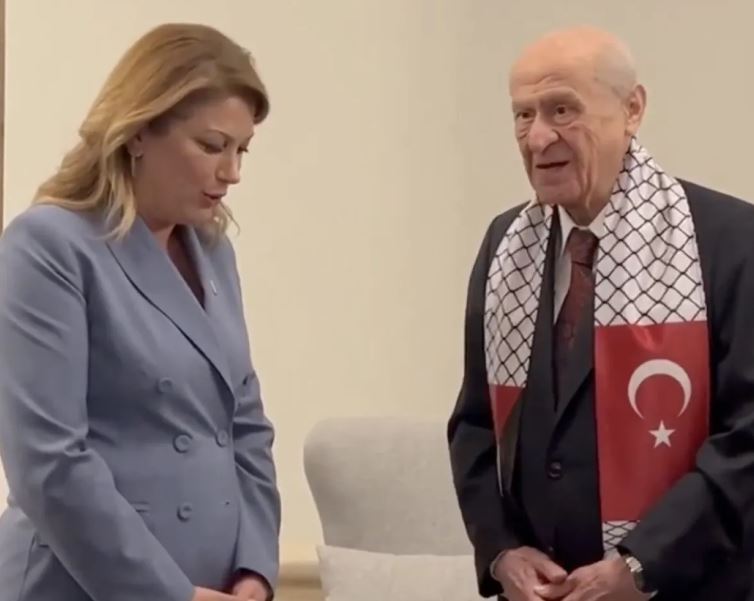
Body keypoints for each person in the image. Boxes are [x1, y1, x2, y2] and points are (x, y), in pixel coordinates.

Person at [448, 25, 754, 601]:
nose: (538, 137)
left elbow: (747, 438)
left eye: (561, 110)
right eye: (522, 115)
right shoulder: (504, 246)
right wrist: (502, 552)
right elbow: (475, 424)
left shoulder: (731, 241)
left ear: (632, 109)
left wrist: (643, 564)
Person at [0, 23, 280, 601]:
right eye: (212, 146)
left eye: (241, 150)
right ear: (137, 133)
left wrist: (255, 567)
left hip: (216, 584)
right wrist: (166, 594)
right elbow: (49, 463)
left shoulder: (213, 251)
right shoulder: (48, 246)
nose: (232, 172)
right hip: (81, 586)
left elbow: (245, 425)